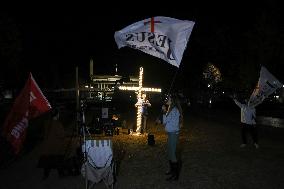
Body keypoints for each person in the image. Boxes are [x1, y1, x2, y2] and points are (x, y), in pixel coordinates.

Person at [37, 108, 66, 179]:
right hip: (56, 147)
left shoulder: (47, 122)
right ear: (57, 115)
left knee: (47, 161)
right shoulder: (57, 124)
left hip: (47, 146)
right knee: (59, 160)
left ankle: (45, 175)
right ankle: (61, 174)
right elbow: (62, 135)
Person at [162, 94, 183, 181]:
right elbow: (165, 121)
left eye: (169, 99)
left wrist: (164, 112)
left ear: (172, 101)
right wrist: (165, 112)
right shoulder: (171, 110)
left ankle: (175, 175)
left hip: (173, 134)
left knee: (173, 154)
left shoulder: (174, 110)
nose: (167, 99)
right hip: (171, 134)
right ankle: (172, 170)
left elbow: (165, 122)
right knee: (170, 152)